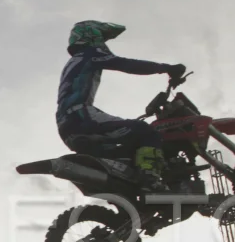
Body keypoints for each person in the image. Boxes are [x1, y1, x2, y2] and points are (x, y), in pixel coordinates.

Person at [56, 20, 187, 191]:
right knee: (145, 131)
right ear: (92, 35)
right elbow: (126, 64)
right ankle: (150, 180)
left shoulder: (74, 61)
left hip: (66, 124)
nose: (103, 42)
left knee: (129, 146)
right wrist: (167, 68)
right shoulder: (89, 53)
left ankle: (133, 184)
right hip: (80, 116)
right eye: (102, 37)